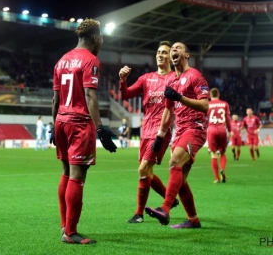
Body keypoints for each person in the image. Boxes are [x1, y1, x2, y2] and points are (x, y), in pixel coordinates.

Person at [51, 18, 117, 245]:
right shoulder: (91, 60)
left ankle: (64, 225)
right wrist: (100, 129)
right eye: (102, 38)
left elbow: (55, 99)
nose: (103, 41)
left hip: (61, 120)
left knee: (66, 173)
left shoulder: (61, 61)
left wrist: (53, 125)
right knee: (78, 178)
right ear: (95, 37)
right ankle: (70, 232)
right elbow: (90, 96)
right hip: (79, 123)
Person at [145, 42, 210, 229]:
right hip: (179, 131)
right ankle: (193, 220)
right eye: (172, 48)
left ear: (187, 55)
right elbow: (168, 112)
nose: (174, 50)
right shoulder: (172, 82)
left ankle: (165, 209)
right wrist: (160, 135)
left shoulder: (195, 76)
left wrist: (180, 98)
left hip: (194, 128)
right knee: (180, 181)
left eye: (178, 48)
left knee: (173, 163)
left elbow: (205, 106)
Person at [119, 40, 179, 224]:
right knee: (147, 172)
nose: (160, 55)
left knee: (143, 169)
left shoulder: (175, 78)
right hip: (146, 129)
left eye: (164, 52)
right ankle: (170, 199)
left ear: (170, 57)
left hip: (161, 130)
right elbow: (126, 95)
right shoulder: (146, 78)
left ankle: (139, 214)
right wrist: (122, 80)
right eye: (158, 52)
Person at [206, 88, 231, 184]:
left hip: (211, 129)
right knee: (223, 153)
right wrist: (230, 131)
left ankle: (216, 178)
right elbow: (228, 118)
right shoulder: (225, 104)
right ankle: (223, 170)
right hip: (222, 129)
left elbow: (203, 118)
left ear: (209, 95)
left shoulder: (207, 104)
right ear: (219, 94)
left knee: (213, 154)